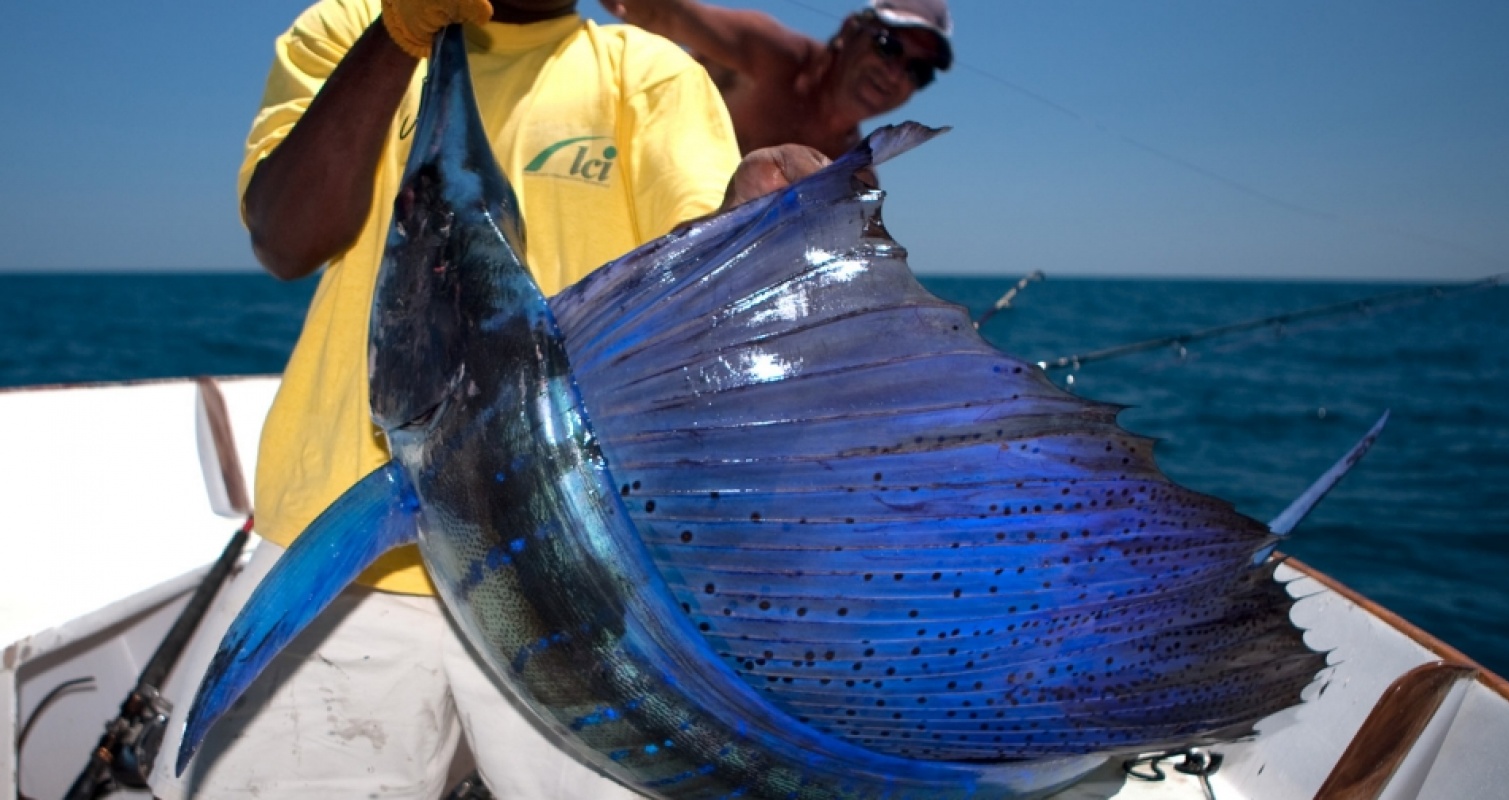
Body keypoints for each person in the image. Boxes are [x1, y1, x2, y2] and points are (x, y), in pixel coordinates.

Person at [146, 0, 824, 797]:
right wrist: (398, 36)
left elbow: (694, 306)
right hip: (349, 567)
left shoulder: (650, 74)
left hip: (582, 578)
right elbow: (286, 238)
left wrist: (751, 233)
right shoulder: (346, 27)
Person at [599, 0, 954, 158]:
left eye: (917, 70)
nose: (895, 73)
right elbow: (662, 13)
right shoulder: (769, 56)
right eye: (888, 46)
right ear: (849, 31)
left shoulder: (853, 175)